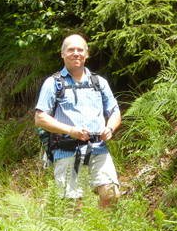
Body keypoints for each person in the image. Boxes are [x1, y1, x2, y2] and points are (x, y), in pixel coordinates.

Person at [34, 34, 122, 208]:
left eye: (80, 50)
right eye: (71, 50)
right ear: (62, 54)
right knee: (72, 206)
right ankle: (82, 226)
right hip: (66, 150)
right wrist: (70, 130)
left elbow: (115, 111)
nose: (76, 53)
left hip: (98, 147)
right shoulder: (53, 83)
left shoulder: (99, 82)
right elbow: (40, 118)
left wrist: (110, 128)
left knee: (111, 193)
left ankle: (100, 224)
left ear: (86, 54)